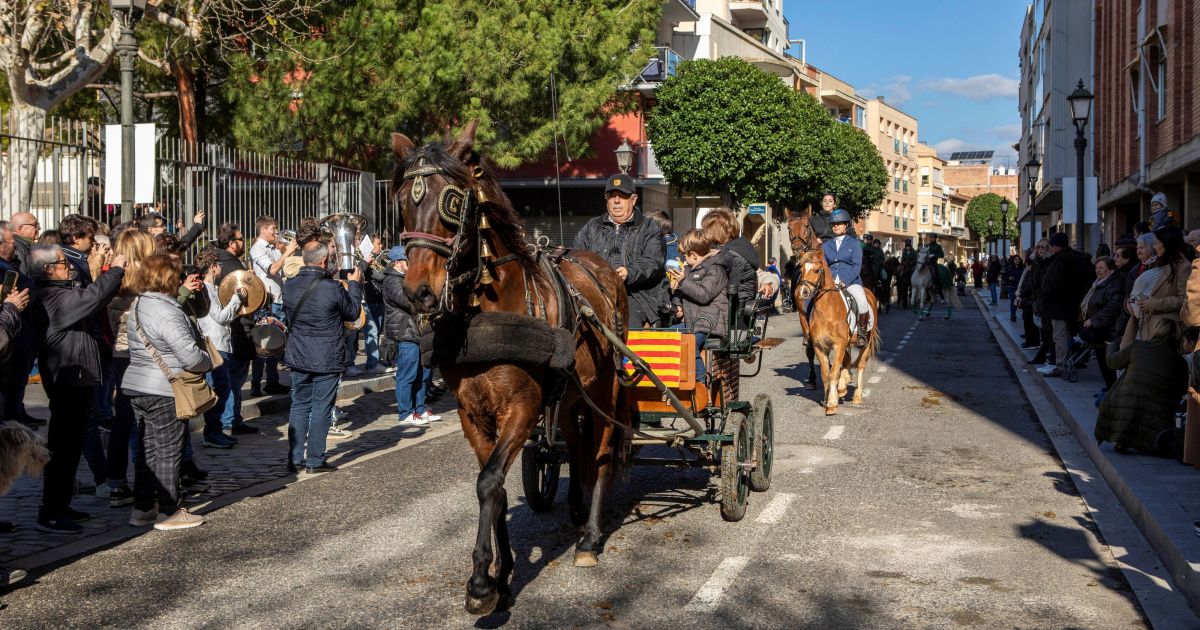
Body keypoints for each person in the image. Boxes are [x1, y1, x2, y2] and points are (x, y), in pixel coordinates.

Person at [29, 244, 126, 533]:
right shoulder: (51, 297)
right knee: (63, 447)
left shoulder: (59, 292)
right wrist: (115, 271)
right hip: (67, 379)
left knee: (69, 448)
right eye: (62, 263)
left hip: (77, 378)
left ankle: (60, 504)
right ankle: (51, 510)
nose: (68, 267)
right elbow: (92, 298)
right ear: (49, 271)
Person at [123, 254, 212, 530]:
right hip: (164, 386)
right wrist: (208, 360)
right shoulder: (167, 310)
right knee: (168, 449)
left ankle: (143, 507)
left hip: (138, 383)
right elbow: (189, 356)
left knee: (147, 450)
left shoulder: (139, 304)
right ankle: (170, 510)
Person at [283, 241, 362, 474]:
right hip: (326, 356)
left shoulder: (290, 285)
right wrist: (355, 285)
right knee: (321, 408)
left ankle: (295, 459)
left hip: (298, 354)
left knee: (299, 406)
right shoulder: (332, 288)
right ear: (323, 261)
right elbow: (353, 312)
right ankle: (315, 461)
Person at [572, 174, 669, 327]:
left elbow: (653, 262)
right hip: (596, 292)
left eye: (622, 196)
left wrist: (629, 272)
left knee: (625, 328)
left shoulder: (649, 227)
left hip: (638, 295)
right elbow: (576, 258)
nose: (616, 201)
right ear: (606, 199)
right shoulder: (591, 227)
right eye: (612, 196)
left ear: (634, 199)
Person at [1095, 319, 1187, 455]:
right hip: (1158, 418)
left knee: (1128, 383)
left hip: (1124, 407)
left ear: (1156, 330)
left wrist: (1112, 346)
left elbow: (1113, 362)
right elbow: (1181, 391)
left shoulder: (1138, 346)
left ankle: (1123, 438)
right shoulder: (1180, 362)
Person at [380, 246, 437, 427]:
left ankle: (419, 409)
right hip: (404, 332)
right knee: (407, 375)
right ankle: (405, 412)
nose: (411, 266)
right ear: (397, 263)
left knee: (423, 374)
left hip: (416, 331)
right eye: (408, 262)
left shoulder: (405, 279)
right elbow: (407, 301)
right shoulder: (391, 281)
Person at [213, 223, 260, 437]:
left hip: (228, 329)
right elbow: (244, 299)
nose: (244, 242)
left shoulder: (219, 261)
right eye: (241, 239)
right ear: (231, 243)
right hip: (236, 327)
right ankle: (230, 420)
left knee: (233, 377)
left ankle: (232, 419)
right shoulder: (231, 265)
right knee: (235, 378)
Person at [195, 247, 245, 449]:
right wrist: (237, 299)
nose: (221, 268)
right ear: (213, 267)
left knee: (222, 386)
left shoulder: (211, 288)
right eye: (219, 265)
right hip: (215, 345)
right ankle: (211, 431)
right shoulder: (206, 288)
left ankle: (214, 430)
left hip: (220, 342)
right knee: (219, 387)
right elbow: (221, 317)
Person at [668, 230, 728, 384]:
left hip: (709, 322)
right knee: (664, 336)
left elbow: (703, 295)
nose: (684, 260)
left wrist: (683, 282)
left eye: (685, 256)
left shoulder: (716, 269)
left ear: (694, 255)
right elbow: (683, 294)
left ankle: (700, 382)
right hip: (692, 321)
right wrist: (677, 304)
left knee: (689, 343)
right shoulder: (690, 270)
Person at [249, 215, 296, 396]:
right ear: (263, 230)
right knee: (262, 344)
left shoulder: (273, 248)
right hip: (266, 303)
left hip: (279, 299)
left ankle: (272, 381)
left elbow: (284, 269)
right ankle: (255, 384)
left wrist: (288, 252)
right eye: (273, 229)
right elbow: (272, 269)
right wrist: (286, 252)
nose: (276, 232)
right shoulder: (257, 249)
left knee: (276, 344)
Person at [1038, 232, 1094, 377]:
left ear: (1057, 246)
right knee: (1065, 334)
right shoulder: (1074, 258)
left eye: (1051, 246)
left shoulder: (1060, 260)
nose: (1050, 248)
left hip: (1058, 305)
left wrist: (1045, 291)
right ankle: (1066, 362)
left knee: (1059, 335)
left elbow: (1051, 283)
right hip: (1070, 304)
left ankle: (1061, 364)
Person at [1122, 227, 1190, 347]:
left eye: (1157, 243)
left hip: (1167, 331)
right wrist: (1130, 303)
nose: (1154, 247)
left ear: (1167, 243)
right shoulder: (1160, 262)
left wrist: (1155, 303)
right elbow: (1142, 290)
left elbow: (1185, 300)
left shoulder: (1183, 266)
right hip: (1148, 326)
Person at [0, 222, 39, 428]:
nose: (15, 246)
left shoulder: (12, 264)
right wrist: (11, 306)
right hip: (10, 342)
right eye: (11, 242)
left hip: (18, 337)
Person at [822, 209, 871, 348]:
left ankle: (861, 334)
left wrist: (845, 281)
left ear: (846, 225)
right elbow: (825, 265)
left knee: (862, 301)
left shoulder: (854, 243)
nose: (836, 226)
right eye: (833, 224)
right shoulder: (826, 246)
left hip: (850, 281)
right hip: (830, 282)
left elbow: (857, 265)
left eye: (839, 223)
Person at [1079, 257, 1124, 390]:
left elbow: (1113, 307)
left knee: (1106, 362)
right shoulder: (1098, 283)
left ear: (1110, 269)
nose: (1098, 270)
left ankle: (1111, 389)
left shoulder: (1113, 284)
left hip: (1106, 329)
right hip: (1098, 328)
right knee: (1102, 361)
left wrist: (1094, 320)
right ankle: (1109, 388)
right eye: (1097, 268)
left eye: (1101, 268)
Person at [1015, 246, 1042, 350]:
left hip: (1030, 299)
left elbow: (1029, 285)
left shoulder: (1033, 270)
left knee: (1030, 322)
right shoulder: (1029, 269)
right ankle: (1030, 341)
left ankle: (1032, 342)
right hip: (1028, 299)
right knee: (1027, 320)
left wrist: (1021, 295)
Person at [9, 211, 40, 277]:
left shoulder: (24, 245)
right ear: (20, 228)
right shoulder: (16, 247)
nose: (39, 228)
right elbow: (22, 277)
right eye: (35, 225)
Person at [1003, 254, 1024, 322]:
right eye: (1015, 259)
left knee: (1017, 301)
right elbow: (1004, 276)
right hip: (1011, 287)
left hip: (1019, 287)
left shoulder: (1022, 268)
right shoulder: (1010, 267)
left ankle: (1014, 312)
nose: (1017, 261)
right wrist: (1009, 278)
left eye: (1018, 259)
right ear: (1013, 260)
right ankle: (1013, 314)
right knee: (1013, 300)